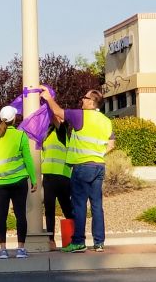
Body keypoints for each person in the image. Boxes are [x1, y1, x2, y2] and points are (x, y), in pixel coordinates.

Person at [40, 86, 115, 253]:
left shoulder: (80, 115)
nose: (82, 100)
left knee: (79, 205)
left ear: (92, 102)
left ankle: (78, 241)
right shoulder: (106, 121)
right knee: (97, 206)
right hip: (98, 165)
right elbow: (111, 144)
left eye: (85, 97)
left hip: (82, 166)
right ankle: (99, 243)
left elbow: (58, 112)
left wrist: (48, 98)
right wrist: (97, 153)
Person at [0, 105, 37, 259]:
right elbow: (28, 159)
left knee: (1, 215)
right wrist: (33, 179)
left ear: (1, 119)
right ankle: (20, 249)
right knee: (20, 214)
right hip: (19, 181)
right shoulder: (20, 136)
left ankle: (2, 250)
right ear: (15, 119)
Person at [41, 118, 73, 251]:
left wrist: (50, 104)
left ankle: (72, 239)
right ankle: (51, 241)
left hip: (62, 176)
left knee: (67, 209)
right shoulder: (46, 135)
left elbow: (57, 120)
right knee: (50, 211)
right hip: (49, 176)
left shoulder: (63, 133)